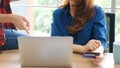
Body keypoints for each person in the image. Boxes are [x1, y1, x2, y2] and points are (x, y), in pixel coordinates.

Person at [51, 0, 107, 65]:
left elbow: (101, 41)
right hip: (63, 62)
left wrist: (98, 51)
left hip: (87, 62)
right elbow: (56, 43)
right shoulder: (58, 14)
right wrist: (82, 49)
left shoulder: (97, 12)